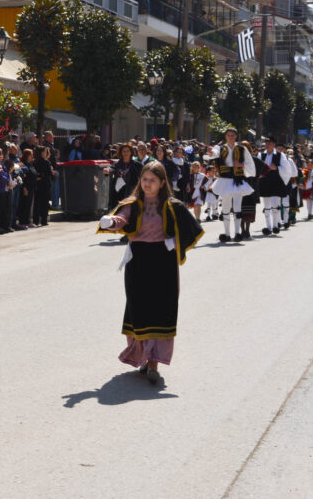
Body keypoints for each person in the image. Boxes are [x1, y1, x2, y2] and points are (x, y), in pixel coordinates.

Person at [97, 161, 203, 384]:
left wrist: (174, 242)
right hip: (138, 261)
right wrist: (111, 222)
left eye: (152, 180)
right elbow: (122, 219)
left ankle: (154, 362)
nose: (147, 184)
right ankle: (143, 357)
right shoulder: (133, 203)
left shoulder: (173, 206)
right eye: (144, 179)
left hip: (163, 262)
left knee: (161, 310)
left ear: (162, 182)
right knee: (139, 308)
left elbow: (192, 230)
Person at [209, 127, 255, 243]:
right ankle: (227, 233)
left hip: (237, 180)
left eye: (232, 135)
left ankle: (237, 233)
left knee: (237, 208)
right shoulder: (220, 148)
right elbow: (214, 153)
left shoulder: (242, 148)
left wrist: (240, 164)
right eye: (228, 135)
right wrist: (211, 153)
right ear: (226, 136)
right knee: (225, 207)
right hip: (224, 180)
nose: (230, 137)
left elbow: (250, 164)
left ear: (236, 136)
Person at [257, 138, 292, 235]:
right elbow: (257, 167)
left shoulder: (280, 155)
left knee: (275, 205)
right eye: (266, 143)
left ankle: (275, 226)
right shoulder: (261, 155)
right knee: (266, 206)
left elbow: (287, 169)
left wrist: (277, 168)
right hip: (265, 182)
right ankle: (268, 227)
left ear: (273, 144)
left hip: (276, 182)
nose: (267, 145)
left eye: (269, 143)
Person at [106, 143, 141, 208]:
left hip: (130, 192)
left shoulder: (136, 165)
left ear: (131, 152)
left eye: (127, 151)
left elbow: (143, 174)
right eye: (124, 151)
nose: (125, 153)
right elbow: (112, 168)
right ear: (121, 153)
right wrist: (108, 170)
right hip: (118, 192)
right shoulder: (118, 164)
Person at [32, 145, 53, 227]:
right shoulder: (46, 162)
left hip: (37, 184)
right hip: (45, 184)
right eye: (44, 152)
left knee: (37, 203)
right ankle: (44, 220)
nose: (45, 153)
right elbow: (49, 173)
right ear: (41, 153)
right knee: (44, 203)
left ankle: (36, 220)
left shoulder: (34, 161)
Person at [16, 148, 37, 228]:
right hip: (26, 187)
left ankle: (27, 221)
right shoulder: (23, 164)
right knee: (24, 205)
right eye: (31, 155)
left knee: (28, 205)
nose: (32, 156)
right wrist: (24, 188)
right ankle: (23, 221)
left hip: (31, 187)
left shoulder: (30, 164)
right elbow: (23, 177)